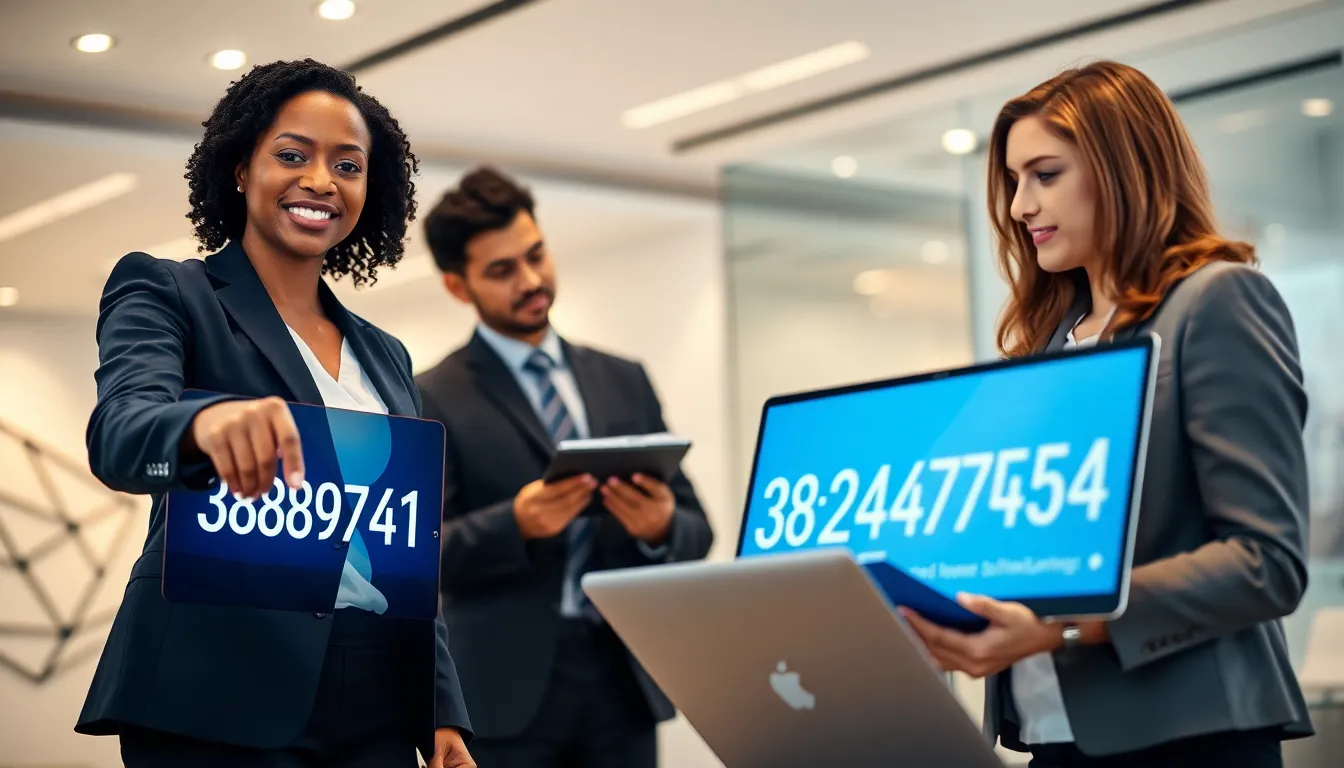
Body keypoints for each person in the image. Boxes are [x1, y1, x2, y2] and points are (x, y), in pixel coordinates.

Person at [900, 60, 1313, 767]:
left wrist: (1061, 628)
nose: (1020, 206)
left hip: (1188, 739)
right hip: (1051, 738)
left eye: (1045, 174)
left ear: (1125, 168)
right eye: (1012, 183)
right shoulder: (1042, 348)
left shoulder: (1217, 301)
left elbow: (1266, 561)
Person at [74, 59, 475, 768]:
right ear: (239, 170)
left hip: (376, 689)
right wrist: (201, 425)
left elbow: (406, 550)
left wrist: (441, 710)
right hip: (216, 682)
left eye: (347, 165)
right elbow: (121, 435)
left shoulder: (386, 357)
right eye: (292, 155)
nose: (321, 180)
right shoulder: (169, 290)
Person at [414, 166, 714, 768]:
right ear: (457, 285)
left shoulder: (623, 378)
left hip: (623, 680)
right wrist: (517, 522)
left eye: (536, 255)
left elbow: (695, 528)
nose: (531, 280)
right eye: (502, 271)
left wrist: (659, 527)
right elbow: (419, 554)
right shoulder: (431, 396)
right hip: (502, 691)